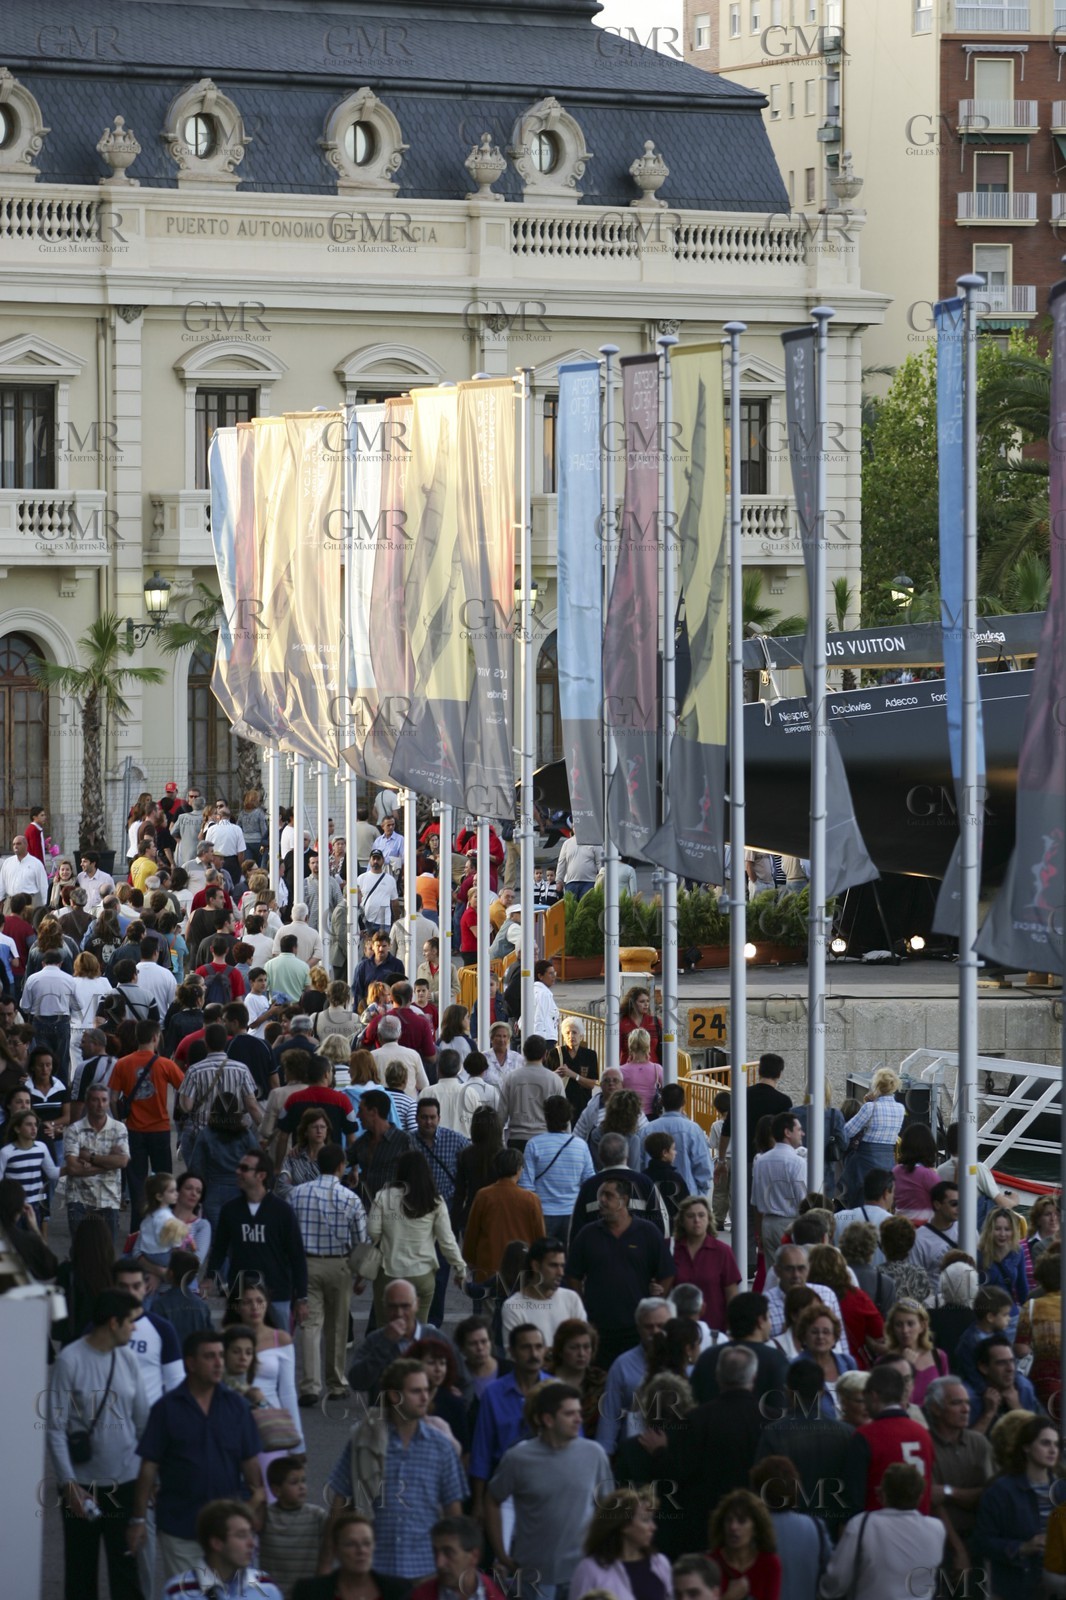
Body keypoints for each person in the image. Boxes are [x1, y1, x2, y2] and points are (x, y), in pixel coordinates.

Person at [130, 1328, 264, 1584]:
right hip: (180, 1528)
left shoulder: (237, 1407)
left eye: (221, 1356)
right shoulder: (166, 1409)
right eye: (210, 1357)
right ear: (190, 1363)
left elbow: (251, 1467)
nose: (218, 1363)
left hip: (226, 1531)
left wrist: (253, 1507)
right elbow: (148, 1467)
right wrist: (138, 1519)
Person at [47, 1287, 148, 1600]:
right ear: (113, 1323)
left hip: (126, 1483)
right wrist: (69, 1485)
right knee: (80, 1575)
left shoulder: (129, 1359)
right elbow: (55, 1427)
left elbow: (143, 1422)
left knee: (126, 1574)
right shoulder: (70, 1360)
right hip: (82, 1488)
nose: (135, 1328)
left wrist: (148, 1478)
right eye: (131, 1321)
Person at [326, 1359, 467, 1579]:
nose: (425, 1398)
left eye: (426, 1390)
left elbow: (453, 1512)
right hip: (373, 1569)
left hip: (425, 1569)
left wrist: (457, 1569)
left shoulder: (441, 1446)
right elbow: (340, 1503)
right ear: (394, 1396)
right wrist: (325, 1567)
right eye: (416, 1391)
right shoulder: (363, 1439)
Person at [485, 1380, 614, 1598]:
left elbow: (609, 1508)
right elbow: (492, 1499)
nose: (578, 1419)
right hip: (533, 1576)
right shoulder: (518, 1458)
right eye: (569, 1414)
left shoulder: (594, 1454)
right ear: (547, 1419)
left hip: (581, 1573)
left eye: (579, 1412)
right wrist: (501, 1554)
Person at [288, 1141, 368, 1404]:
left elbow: (287, 1232)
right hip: (340, 1265)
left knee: (309, 1324)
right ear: (341, 1167)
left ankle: (310, 1385)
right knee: (337, 1326)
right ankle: (336, 1383)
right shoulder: (351, 1198)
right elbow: (361, 1240)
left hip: (306, 1264)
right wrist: (361, 1274)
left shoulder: (296, 1194)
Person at [566, 1176, 675, 1369]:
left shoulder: (647, 1232)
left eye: (608, 1195)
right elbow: (573, 1274)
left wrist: (655, 1303)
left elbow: (667, 1272)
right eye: (601, 1196)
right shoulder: (588, 1234)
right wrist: (581, 1305)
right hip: (599, 1327)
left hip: (636, 1328)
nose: (602, 1200)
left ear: (624, 1200)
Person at [201, 1150, 309, 1330]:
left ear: (261, 1175)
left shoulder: (282, 1211)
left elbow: (297, 1256)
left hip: (277, 1293)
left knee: (278, 1348)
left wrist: (301, 1298)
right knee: (239, 1347)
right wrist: (209, 1277)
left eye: (244, 1168)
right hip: (240, 1293)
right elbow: (219, 1248)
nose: (237, 1172)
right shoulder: (230, 1210)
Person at [819, 1463, 944, 1600]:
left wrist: (823, 1592)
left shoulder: (862, 1524)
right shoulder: (936, 1528)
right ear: (920, 1497)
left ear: (882, 1493)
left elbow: (838, 1578)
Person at [369, 1147, 464, 1324]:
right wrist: (460, 1268)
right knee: (417, 1331)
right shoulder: (435, 1201)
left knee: (386, 1329)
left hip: (389, 1272)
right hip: (422, 1274)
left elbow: (373, 1232)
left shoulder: (383, 1196)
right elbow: (447, 1241)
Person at [974, 1415, 1061, 1600]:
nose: (1053, 1449)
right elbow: (981, 1541)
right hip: (1017, 1587)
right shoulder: (1001, 1491)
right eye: (1045, 1443)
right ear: (1026, 1447)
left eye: (1056, 1444)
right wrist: (1021, 1548)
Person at [108, 1019, 184, 1228]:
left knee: (137, 1183)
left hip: (133, 1130)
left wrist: (119, 1120)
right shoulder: (165, 1064)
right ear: (155, 1038)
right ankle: (164, 1225)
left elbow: (113, 1097)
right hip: (159, 1129)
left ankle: (137, 1229)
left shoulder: (122, 1063)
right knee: (164, 1181)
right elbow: (184, 1088)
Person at [923, 1376, 995, 1576]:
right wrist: (958, 1550)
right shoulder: (924, 1443)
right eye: (956, 1403)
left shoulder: (979, 1443)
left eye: (967, 1403)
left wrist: (949, 1492)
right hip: (939, 1544)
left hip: (979, 1541)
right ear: (936, 1408)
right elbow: (932, 1502)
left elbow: (989, 1496)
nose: (966, 1409)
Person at [846, 1363, 933, 1514]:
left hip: (878, 1528)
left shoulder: (865, 1435)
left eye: (864, 1397)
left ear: (873, 1396)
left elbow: (854, 1496)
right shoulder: (923, 1433)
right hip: (920, 1525)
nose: (864, 1404)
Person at [166, 1499, 282, 1600]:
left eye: (251, 1534)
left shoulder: (266, 1587)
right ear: (216, 1543)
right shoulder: (179, 1593)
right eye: (241, 1535)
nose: (252, 1543)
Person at [569, 1486, 672, 1600]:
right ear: (624, 1525)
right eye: (645, 1520)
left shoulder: (660, 1564)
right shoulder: (589, 1570)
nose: (653, 1527)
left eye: (652, 1520)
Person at [518, 1094, 594, 1241]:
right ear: (568, 1118)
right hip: (572, 1212)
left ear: (546, 1117)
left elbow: (526, 1185)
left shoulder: (534, 1144)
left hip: (543, 1212)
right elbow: (589, 1181)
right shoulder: (581, 1146)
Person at [63, 1081, 129, 1244]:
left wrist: (90, 1158)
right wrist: (106, 1165)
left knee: (106, 1253)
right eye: (95, 1100)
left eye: (104, 1100)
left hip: (109, 1198)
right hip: (79, 1198)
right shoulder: (74, 1130)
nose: (100, 1104)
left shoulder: (119, 1128)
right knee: (80, 1251)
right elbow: (72, 1168)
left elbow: (122, 1161)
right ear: (87, 1102)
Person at [291, 1510, 411, 1600]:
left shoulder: (399, 1591)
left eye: (366, 1543)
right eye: (351, 1544)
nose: (361, 1550)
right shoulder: (309, 1592)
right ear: (336, 1550)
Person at [671, 1194, 741, 1335]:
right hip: (676, 1329)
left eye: (701, 1215)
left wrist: (732, 1330)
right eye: (690, 1216)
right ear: (682, 1221)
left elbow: (732, 1296)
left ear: (709, 1219)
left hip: (713, 1330)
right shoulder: (670, 1249)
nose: (696, 1220)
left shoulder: (722, 1251)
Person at [501, 1234, 587, 1344]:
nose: (561, 1273)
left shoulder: (572, 1299)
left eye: (562, 1266)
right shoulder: (513, 1307)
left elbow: (582, 1345)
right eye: (553, 1265)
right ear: (536, 1266)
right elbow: (517, 1356)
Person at [717, 1052, 791, 1173]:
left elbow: (726, 1130)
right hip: (772, 1162)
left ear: (759, 1071)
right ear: (779, 1074)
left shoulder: (740, 1095)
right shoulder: (784, 1101)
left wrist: (721, 1160)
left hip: (742, 1160)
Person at [841, 1068, 905, 1207]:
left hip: (866, 1160)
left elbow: (847, 1131)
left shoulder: (870, 1107)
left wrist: (866, 1105)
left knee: (854, 1187)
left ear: (876, 1086)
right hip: (887, 1160)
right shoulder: (900, 1108)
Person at [752, 1111, 808, 1262]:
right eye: (798, 1129)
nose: (802, 1133)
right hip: (791, 1224)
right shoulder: (797, 1162)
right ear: (787, 1132)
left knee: (773, 1273)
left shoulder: (761, 1161)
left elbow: (756, 1202)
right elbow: (802, 1201)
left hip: (768, 1224)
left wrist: (759, 1233)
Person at [708, 1489, 782, 1600]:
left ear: (755, 1528)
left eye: (741, 1521)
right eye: (729, 1520)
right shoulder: (709, 1563)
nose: (733, 1527)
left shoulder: (769, 1564)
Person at [965, 1333, 1040, 1433]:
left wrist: (1017, 1408)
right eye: (1001, 1363)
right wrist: (988, 1414)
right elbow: (964, 1446)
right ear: (983, 1368)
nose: (1010, 1368)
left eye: (1012, 1361)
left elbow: (1039, 1436)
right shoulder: (969, 1397)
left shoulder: (1023, 1387)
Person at [498, 1035, 558, 1153]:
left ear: (524, 1053)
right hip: (545, 1139)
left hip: (517, 1138)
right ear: (545, 1054)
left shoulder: (511, 1078)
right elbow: (562, 1114)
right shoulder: (554, 1079)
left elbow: (501, 1113)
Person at [977, 1207, 1030, 1333]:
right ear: (990, 1230)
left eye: (1007, 1229)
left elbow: (1022, 1287)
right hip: (985, 1320)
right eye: (997, 1229)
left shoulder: (1017, 1252)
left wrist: (1029, 1316)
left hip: (1010, 1318)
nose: (1002, 1234)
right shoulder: (979, 1253)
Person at [618, 1028, 663, 1118]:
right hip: (652, 1117)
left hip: (629, 1117)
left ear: (630, 1045)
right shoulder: (657, 1069)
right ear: (648, 1046)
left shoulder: (621, 1071)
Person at [618, 987, 663, 1065]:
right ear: (632, 1003)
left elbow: (663, 1047)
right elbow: (615, 1051)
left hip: (653, 1071)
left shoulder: (655, 1022)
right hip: (628, 1071)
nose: (646, 1004)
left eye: (648, 1001)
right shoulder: (621, 1023)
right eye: (642, 1001)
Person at [531, 959, 560, 1042]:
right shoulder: (544, 994)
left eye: (554, 973)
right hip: (545, 1038)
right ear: (540, 976)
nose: (554, 976)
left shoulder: (533, 990)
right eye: (550, 973)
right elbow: (539, 1018)